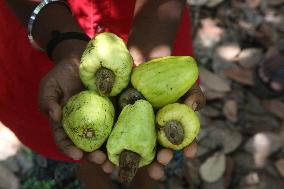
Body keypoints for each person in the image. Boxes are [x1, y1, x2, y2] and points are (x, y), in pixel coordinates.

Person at [0, 0, 206, 188]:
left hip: (151, 30)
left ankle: (143, 182)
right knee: (78, 147)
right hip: (44, 33)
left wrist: (149, 52)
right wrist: (63, 43)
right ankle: (91, 176)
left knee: (148, 154)